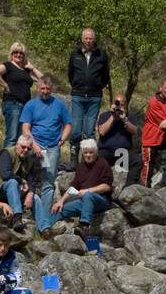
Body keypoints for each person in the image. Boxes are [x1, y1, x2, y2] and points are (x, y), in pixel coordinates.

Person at [37, 139, 113, 239]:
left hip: (101, 200)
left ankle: (84, 227)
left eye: (91, 152)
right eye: (85, 153)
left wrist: (88, 190)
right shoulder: (81, 167)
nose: (88, 155)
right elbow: (73, 187)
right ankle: (45, 231)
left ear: (95, 153)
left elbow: (107, 186)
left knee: (88, 195)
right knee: (58, 209)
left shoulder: (103, 164)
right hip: (84, 201)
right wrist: (61, 201)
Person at [21, 76, 73, 202]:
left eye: (47, 89)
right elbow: (25, 128)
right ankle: (25, 206)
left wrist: (62, 140)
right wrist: (34, 145)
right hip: (34, 145)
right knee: (26, 176)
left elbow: (68, 125)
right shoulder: (31, 105)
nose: (45, 91)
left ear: (51, 89)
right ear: (38, 89)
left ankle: (44, 217)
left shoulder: (59, 105)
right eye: (42, 88)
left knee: (49, 182)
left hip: (52, 148)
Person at [67, 28, 111, 169]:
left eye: (91, 38)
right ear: (82, 39)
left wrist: (97, 86)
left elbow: (105, 75)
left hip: (94, 96)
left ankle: (87, 159)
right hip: (78, 95)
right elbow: (70, 73)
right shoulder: (75, 54)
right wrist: (77, 85)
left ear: (94, 39)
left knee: (89, 130)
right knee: (76, 129)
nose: (88, 41)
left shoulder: (101, 55)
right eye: (86, 38)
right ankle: (74, 158)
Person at [0, 42, 42, 148]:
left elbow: (43, 79)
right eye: (16, 52)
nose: (18, 55)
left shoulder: (26, 70)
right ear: (12, 53)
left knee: (22, 138)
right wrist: (5, 85)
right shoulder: (8, 66)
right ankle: (6, 162)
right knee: (12, 137)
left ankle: (17, 163)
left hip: (26, 107)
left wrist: (32, 67)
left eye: (21, 53)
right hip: (13, 104)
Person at [0, 135, 43, 234]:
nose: (26, 150)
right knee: (12, 182)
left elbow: (32, 180)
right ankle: (17, 218)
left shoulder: (29, 160)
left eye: (29, 148)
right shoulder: (7, 153)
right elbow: (5, 174)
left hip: (17, 192)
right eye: (23, 147)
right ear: (17, 145)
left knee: (35, 197)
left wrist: (30, 194)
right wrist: (22, 180)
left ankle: (45, 229)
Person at [96, 95, 140, 179]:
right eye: (117, 104)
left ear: (125, 106)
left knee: (137, 162)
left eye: (122, 105)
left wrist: (124, 120)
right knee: (95, 161)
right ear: (112, 104)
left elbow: (135, 131)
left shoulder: (129, 116)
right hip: (106, 150)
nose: (119, 107)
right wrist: (112, 116)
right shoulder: (105, 115)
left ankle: (129, 187)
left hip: (123, 151)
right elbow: (102, 132)